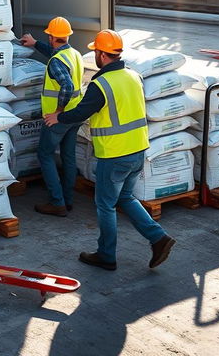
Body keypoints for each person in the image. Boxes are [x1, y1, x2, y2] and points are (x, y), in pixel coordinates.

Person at [49, 29, 175, 270]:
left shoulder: (101, 84)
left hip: (115, 155)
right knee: (125, 197)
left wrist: (58, 117)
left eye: (96, 51)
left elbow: (82, 112)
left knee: (105, 205)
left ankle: (106, 255)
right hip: (138, 150)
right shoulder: (134, 76)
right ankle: (158, 238)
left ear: (101, 54)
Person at [20, 16, 84, 217]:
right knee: (68, 156)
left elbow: (67, 85)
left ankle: (57, 202)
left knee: (45, 154)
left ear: (51, 37)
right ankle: (68, 200)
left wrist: (57, 112)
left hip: (59, 118)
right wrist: (34, 44)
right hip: (76, 114)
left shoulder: (57, 61)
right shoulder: (73, 53)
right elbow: (55, 56)